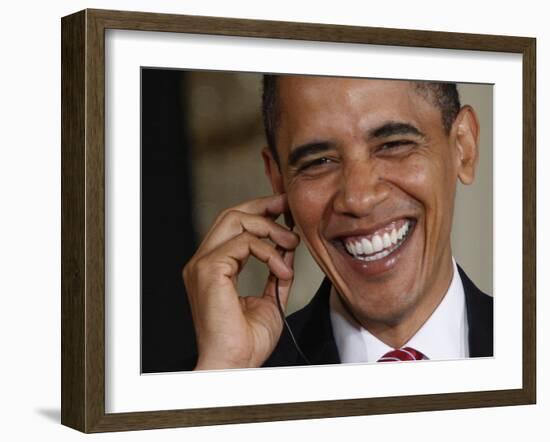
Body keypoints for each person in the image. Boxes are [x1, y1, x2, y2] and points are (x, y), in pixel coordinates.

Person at [182, 74, 493, 370]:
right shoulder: (225, 378)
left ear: (463, 148)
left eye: (393, 145)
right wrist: (224, 371)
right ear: (278, 180)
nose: (359, 199)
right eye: (319, 162)